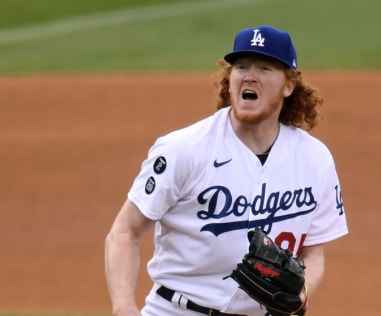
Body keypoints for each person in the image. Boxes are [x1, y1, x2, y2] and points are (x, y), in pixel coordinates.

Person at [105, 25, 348, 316]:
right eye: (241, 66)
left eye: (265, 68)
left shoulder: (314, 158)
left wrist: (299, 294)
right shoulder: (185, 149)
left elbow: (313, 253)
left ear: (289, 85)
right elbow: (123, 232)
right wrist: (123, 307)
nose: (249, 75)